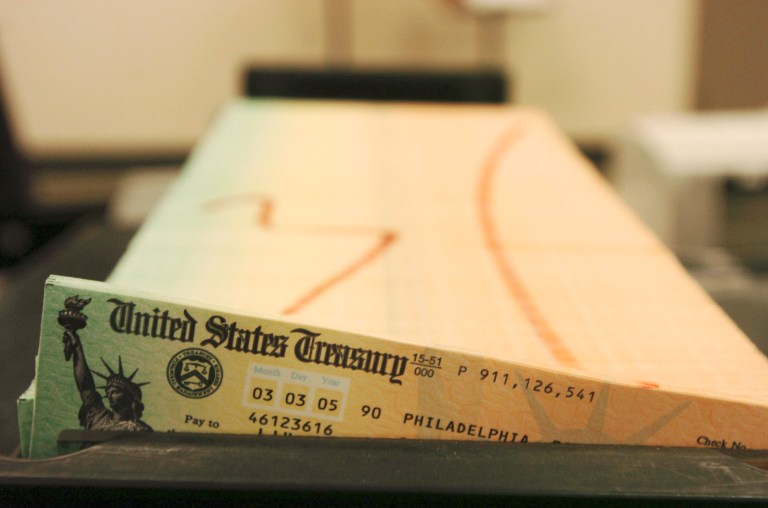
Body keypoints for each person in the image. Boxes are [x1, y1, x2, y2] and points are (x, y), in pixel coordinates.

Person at [63, 329, 152, 432]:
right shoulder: (99, 418)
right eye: (108, 392)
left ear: (129, 396)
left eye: (115, 392)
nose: (110, 395)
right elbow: (85, 387)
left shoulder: (141, 430)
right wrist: (77, 347)